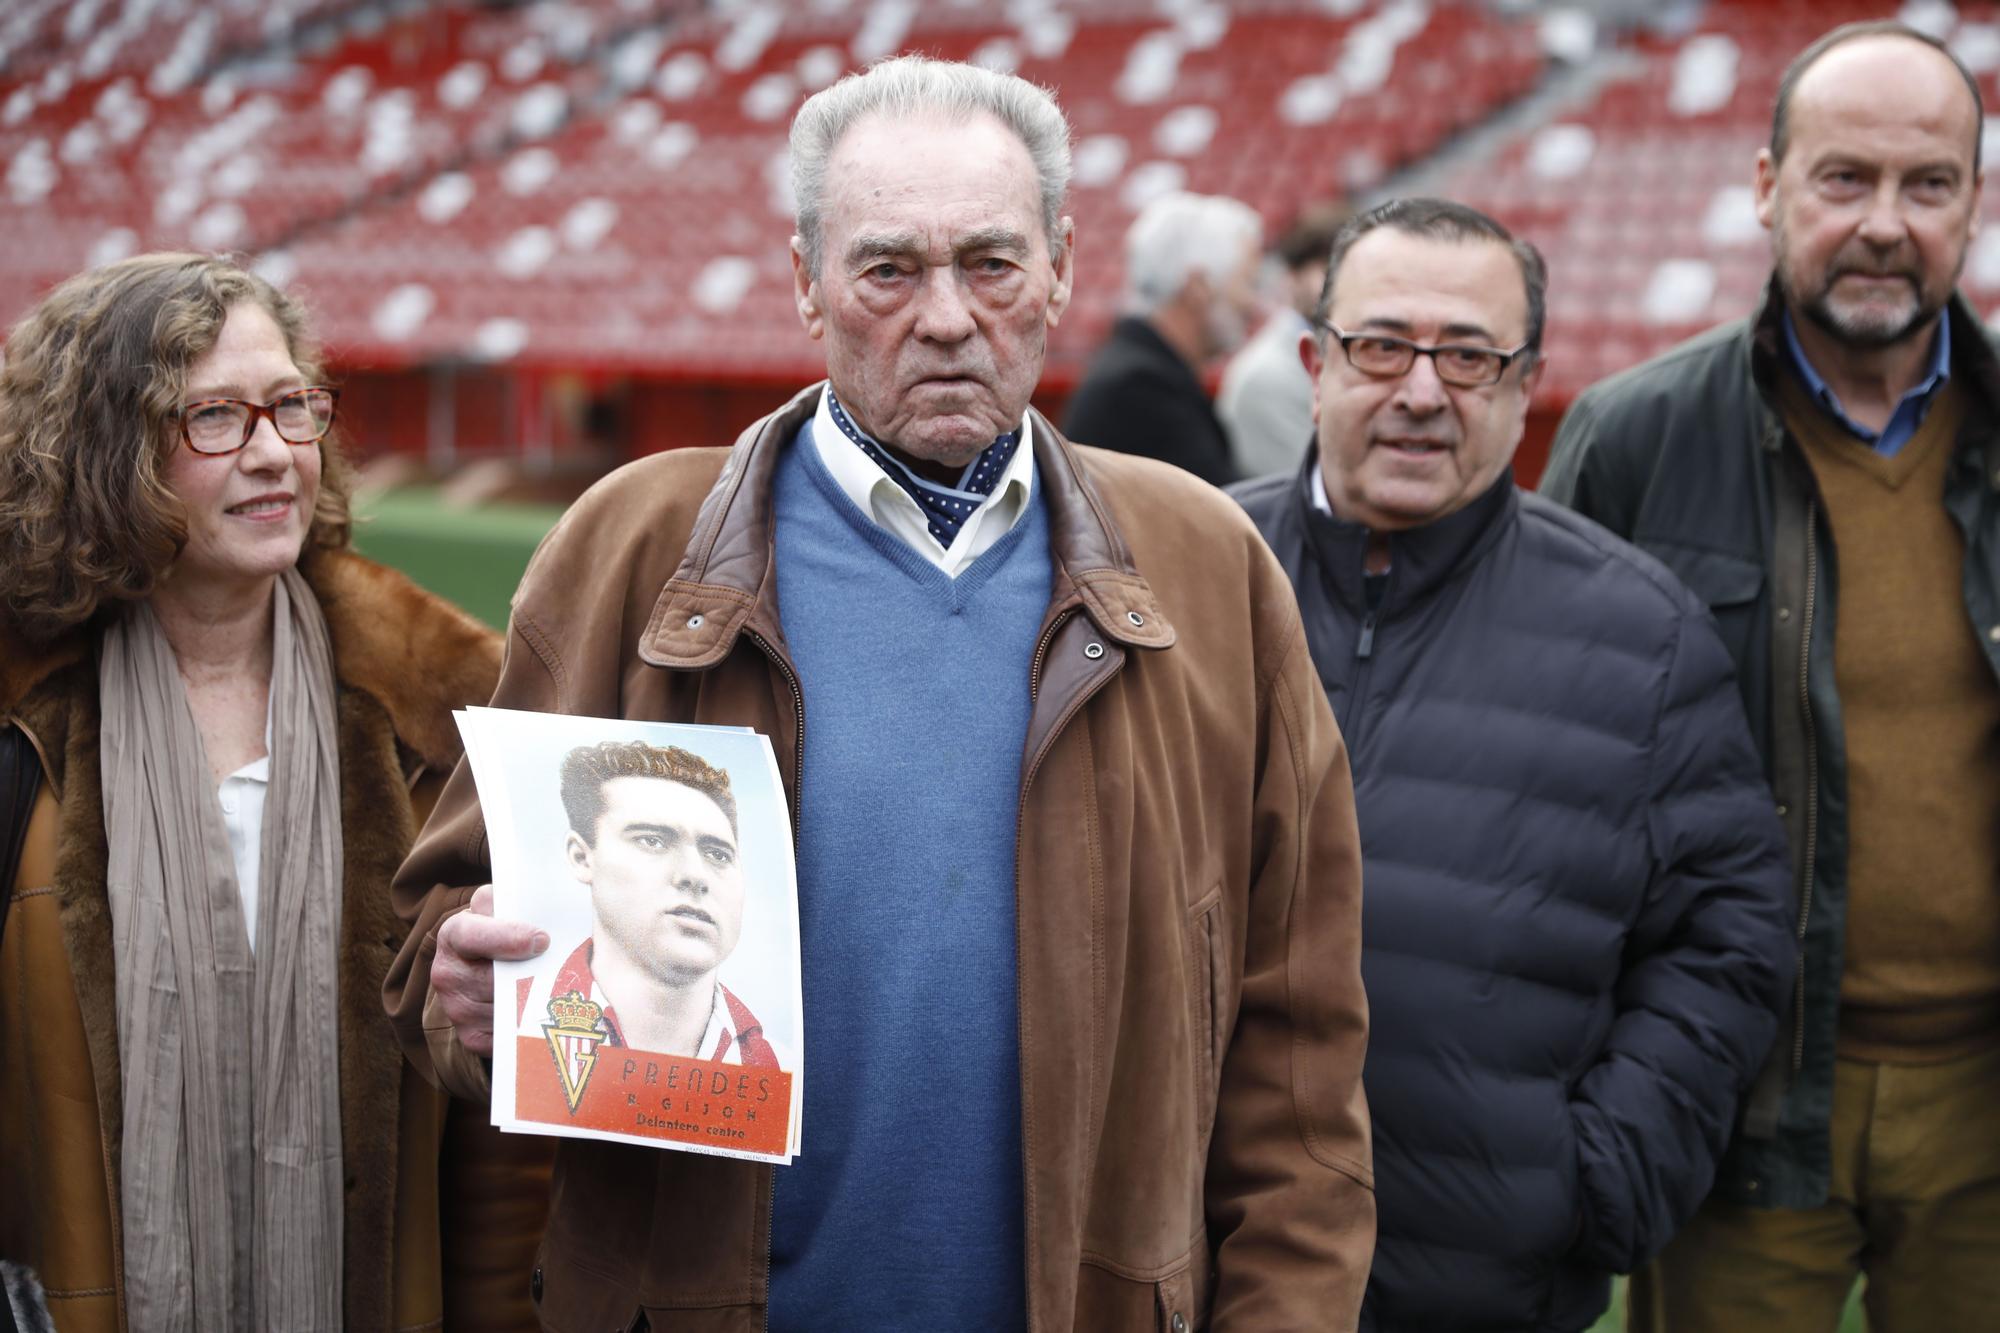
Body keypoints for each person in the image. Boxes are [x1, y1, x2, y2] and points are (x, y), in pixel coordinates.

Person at [386, 55, 1374, 1332]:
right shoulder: (629, 549)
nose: (949, 316)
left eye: (991, 263)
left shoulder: (1204, 564)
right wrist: (467, 989)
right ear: (806, 281)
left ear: (1061, 266)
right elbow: (432, 953)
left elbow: (1298, 1055)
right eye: (889, 269)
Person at [1230, 198, 1794, 1332]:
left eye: (1469, 357)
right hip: (1200, 1269)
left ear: (1524, 379)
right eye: (1381, 346)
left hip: (1480, 1287)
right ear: (1314, 363)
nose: (1422, 392)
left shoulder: (1640, 632)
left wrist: (1590, 1182)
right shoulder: (1186, 580)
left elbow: (1729, 935)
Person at [1540, 21, 2000, 1330]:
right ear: (1764, 187)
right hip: (1736, 1099)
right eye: (1843, 179)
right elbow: (1558, 776)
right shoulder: (1632, 439)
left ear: (1974, 203)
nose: (1884, 225)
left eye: (1929, 185)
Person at [0, 254, 548, 1331]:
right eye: (211, 416)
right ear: (101, 455)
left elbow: (509, 1169)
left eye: (290, 406)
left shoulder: (450, 720)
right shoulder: (19, 729)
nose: (271, 454)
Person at [529, 739, 779, 1067]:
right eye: (652, 840)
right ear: (581, 857)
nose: (695, 875)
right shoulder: (511, 1015)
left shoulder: (780, 1064)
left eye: (717, 854)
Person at [1061, 190, 1262, 487]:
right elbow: (1225, 510)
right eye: (1247, 282)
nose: (1252, 303)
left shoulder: (1139, 371)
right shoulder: (1141, 389)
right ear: (1198, 288)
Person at [1218, 203, 1346, 478]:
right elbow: (1312, 490)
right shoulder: (1264, 378)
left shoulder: (1362, 347)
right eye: (1328, 269)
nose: (1345, 283)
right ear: (1292, 277)